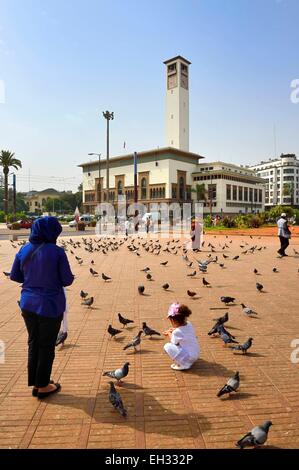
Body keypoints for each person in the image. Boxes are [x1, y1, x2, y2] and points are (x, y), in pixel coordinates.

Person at [10, 216, 74, 398]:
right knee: (46, 345)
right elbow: (67, 280)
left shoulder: (24, 249)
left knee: (34, 342)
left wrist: (32, 279)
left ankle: (37, 383)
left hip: (28, 303)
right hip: (50, 305)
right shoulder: (57, 252)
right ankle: (43, 385)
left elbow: (15, 276)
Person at [163, 303, 200, 371]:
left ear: (174, 321)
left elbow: (173, 342)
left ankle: (184, 364)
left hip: (190, 357)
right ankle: (188, 361)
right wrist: (174, 330)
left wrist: (169, 333)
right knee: (182, 344)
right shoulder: (189, 324)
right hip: (196, 353)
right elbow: (184, 332)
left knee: (167, 346)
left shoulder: (177, 332)